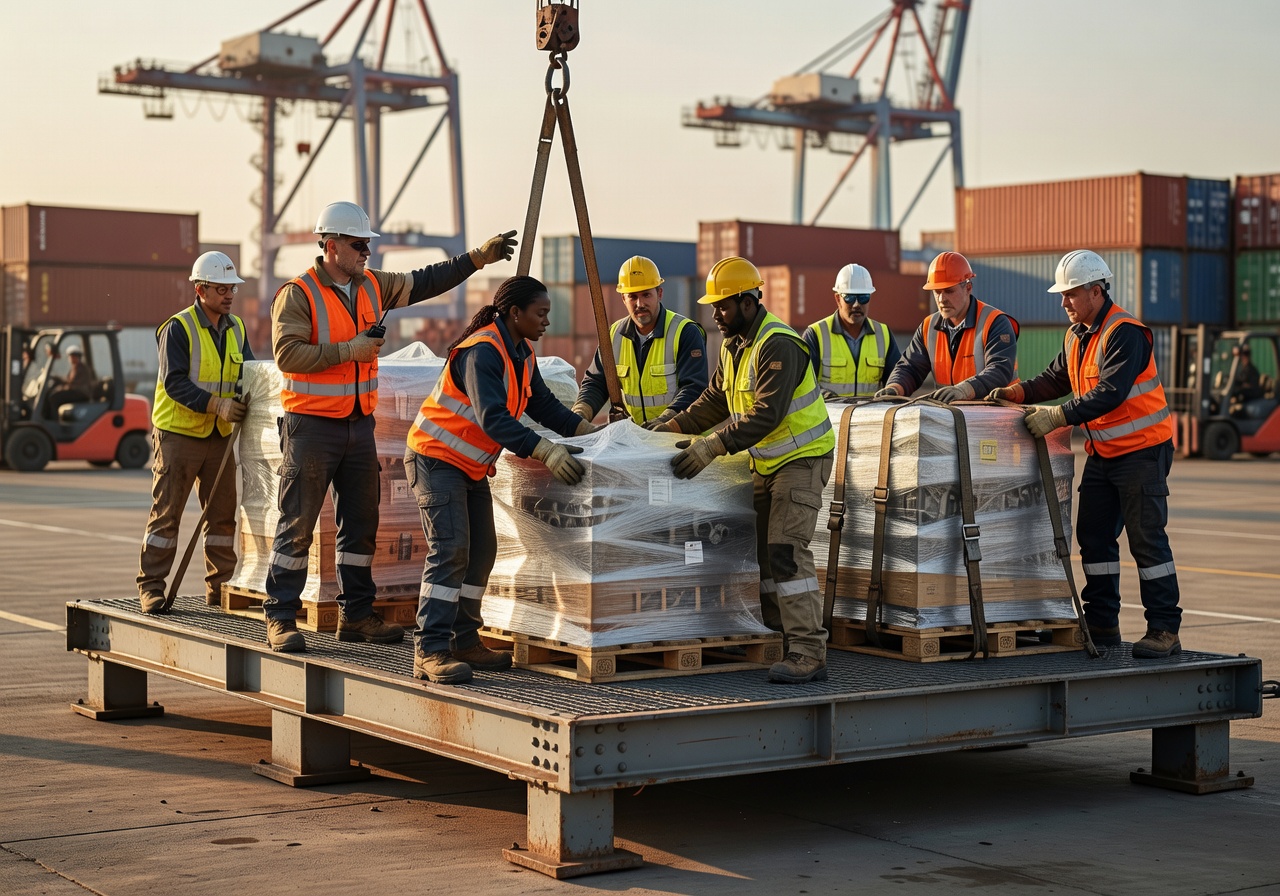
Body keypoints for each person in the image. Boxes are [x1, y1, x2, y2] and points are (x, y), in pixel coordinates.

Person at [262, 201, 518, 653]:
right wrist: (351, 350)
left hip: (358, 425)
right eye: (359, 245)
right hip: (311, 427)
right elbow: (287, 355)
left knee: (361, 523)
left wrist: (479, 257)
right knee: (297, 523)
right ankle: (280, 617)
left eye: (368, 245)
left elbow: (426, 281)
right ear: (331, 244)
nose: (367, 253)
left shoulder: (372, 286)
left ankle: (356, 615)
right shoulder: (298, 293)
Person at [645, 257, 835, 684]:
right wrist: (665, 428)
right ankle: (775, 635)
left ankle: (808, 651)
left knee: (786, 551)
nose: (715, 315)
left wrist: (713, 445)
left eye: (724, 306)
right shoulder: (734, 346)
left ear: (749, 302)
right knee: (764, 556)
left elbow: (766, 414)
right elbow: (714, 400)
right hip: (766, 462)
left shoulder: (778, 343)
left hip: (802, 460)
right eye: (714, 307)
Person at [405, 276, 599, 683]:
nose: (547, 321)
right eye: (541, 313)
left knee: (482, 553)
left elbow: (543, 404)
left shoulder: (521, 353)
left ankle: (463, 640)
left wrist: (590, 433)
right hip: (436, 460)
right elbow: (493, 417)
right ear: (515, 313)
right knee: (451, 551)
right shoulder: (483, 352)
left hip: (469, 466)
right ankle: (431, 649)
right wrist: (544, 449)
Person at [988, 249, 1181, 659]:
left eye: (1071, 294)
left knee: (1147, 543)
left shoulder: (1125, 332)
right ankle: (1102, 623)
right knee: (1093, 538)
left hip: (1143, 453)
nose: (1064, 303)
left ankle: (1164, 629)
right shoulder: (1077, 335)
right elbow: (1056, 378)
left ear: (1096, 291)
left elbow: (1109, 393)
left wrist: (1057, 416)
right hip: (1104, 454)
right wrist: (1016, 393)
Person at [137, 251, 252, 614]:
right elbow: (174, 383)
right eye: (222, 289)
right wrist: (217, 404)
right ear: (201, 290)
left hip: (219, 438)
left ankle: (221, 588)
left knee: (222, 517)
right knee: (166, 515)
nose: (229, 295)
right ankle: (151, 587)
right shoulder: (179, 328)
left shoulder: (237, 328)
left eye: (232, 288)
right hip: (178, 436)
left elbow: (247, 373)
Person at [571, 256, 708, 424]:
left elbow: (694, 388)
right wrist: (580, 415)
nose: (640, 303)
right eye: (632, 297)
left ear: (660, 294)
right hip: (637, 440)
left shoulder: (685, 332)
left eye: (646, 295)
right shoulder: (614, 336)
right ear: (623, 299)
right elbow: (596, 383)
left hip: (679, 438)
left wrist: (665, 422)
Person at [877, 251, 1018, 402]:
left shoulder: (995, 322)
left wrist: (964, 390)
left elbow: (1000, 370)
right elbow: (911, 367)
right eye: (937, 292)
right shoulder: (928, 327)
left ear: (968, 288)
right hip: (952, 417)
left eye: (949, 291)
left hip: (999, 415)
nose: (942, 299)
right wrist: (894, 388)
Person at [803, 263, 900, 399]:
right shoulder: (816, 334)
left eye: (863, 298)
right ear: (838, 299)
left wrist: (893, 389)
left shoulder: (883, 334)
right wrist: (824, 395)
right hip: (829, 417)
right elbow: (802, 383)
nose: (856, 305)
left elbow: (898, 377)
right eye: (849, 297)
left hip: (870, 418)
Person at [1227, 344, 1266, 415]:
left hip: (1251, 397)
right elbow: (1241, 381)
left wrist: (1240, 387)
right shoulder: (1244, 369)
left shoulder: (1252, 370)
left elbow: (1250, 386)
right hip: (1247, 396)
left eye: (1243, 355)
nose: (1242, 358)